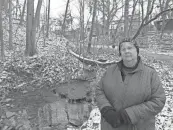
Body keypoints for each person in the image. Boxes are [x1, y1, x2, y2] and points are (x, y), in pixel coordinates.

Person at [95, 38, 166, 130]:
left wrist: (129, 114)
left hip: (139, 126)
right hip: (111, 125)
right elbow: (99, 89)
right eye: (123, 49)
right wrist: (106, 108)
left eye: (130, 48)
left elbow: (158, 101)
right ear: (120, 53)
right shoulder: (110, 70)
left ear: (137, 51)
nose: (126, 51)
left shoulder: (150, 74)